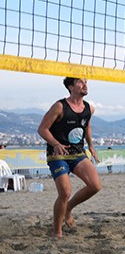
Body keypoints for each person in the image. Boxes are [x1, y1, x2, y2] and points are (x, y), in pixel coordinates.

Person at [37, 77, 102, 238]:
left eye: (86, 81)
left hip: (78, 153)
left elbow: (86, 126)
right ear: (71, 87)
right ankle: (56, 232)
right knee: (65, 192)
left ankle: (68, 208)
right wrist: (55, 143)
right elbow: (42, 129)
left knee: (95, 186)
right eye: (80, 82)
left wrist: (91, 146)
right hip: (57, 155)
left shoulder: (89, 108)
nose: (85, 85)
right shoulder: (59, 106)